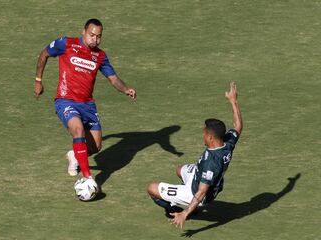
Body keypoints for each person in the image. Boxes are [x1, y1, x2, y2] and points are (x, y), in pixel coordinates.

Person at [34, 18, 136, 181]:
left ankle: (74, 155)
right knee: (78, 130)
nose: (95, 39)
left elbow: (113, 78)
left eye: (99, 36)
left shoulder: (100, 56)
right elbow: (44, 54)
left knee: (96, 146)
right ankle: (88, 178)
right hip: (65, 100)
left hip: (87, 105)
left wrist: (126, 89)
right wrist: (38, 80)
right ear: (83, 31)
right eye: (92, 35)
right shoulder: (65, 43)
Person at [147, 81, 243, 228]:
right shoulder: (226, 143)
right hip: (198, 175)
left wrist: (185, 213)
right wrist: (233, 101)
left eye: (204, 133)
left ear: (211, 137)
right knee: (179, 170)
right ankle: (184, 203)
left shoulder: (212, 163)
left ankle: (176, 209)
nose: (202, 135)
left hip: (195, 192)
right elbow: (238, 126)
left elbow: (201, 192)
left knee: (152, 189)